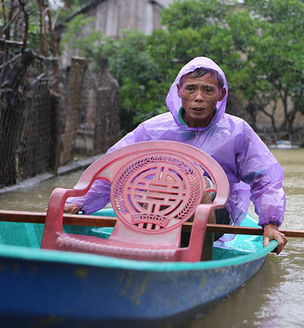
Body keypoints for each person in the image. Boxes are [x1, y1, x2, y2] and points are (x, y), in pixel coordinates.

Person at [63, 57, 288, 254]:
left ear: (221, 94)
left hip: (212, 214)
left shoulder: (238, 131)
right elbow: (112, 168)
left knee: (199, 187)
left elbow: (264, 178)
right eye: (191, 88)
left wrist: (270, 223)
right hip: (155, 207)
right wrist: (78, 202)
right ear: (179, 90)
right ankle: (139, 249)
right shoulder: (152, 130)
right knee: (158, 183)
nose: (198, 97)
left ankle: (199, 259)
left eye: (208, 90)